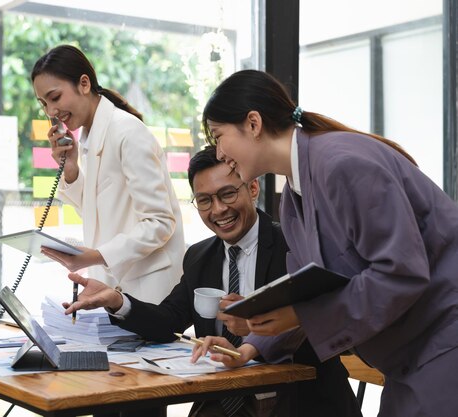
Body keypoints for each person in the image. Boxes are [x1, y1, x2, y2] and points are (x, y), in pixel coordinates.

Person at [195, 69, 458, 417]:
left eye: (219, 135)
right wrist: (248, 349)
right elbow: (313, 291)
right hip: (411, 358)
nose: (219, 150)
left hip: (443, 343)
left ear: (253, 123)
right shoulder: (292, 198)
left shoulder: (342, 164)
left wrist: (298, 314)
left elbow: (401, 273)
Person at [65, 146, 361, 417]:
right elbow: (168, 321)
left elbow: (317, 320)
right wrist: (117, 300)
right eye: (205, 200)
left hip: (300, 399)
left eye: (227, 194)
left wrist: (255, 322)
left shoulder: (293, 245)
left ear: (253, 187)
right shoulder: (199, 257)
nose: (218, 210)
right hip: (223, 399)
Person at [30, 45, 185, 303]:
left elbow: (160, 223)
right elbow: (99, 212)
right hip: (115, 288)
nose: (50, 112)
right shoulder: (91, 139)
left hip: (149, 290)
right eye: (44, 104)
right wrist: (71, 171)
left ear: (84, 83)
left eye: (55, 98)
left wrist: (96, 255)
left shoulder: (127, 132)